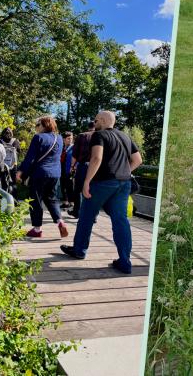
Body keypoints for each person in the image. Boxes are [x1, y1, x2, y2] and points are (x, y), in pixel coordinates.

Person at [61, 111, 142, 274]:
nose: (94, 122)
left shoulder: (99, 135)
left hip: (102, 183)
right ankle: (125, 261)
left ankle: (79, 250)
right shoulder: (125, 137)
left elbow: (96, 158)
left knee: (87, 216)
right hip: (123, 183)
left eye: (96, 119)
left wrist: (86, 181)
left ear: (103, 121)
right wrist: (124, 172)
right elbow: (138, 160)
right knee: (121, 221)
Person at [17, 116, 66, 238]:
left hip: (40, 173)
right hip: (55, 173)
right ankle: (60, 221)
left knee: (36, 200)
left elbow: (30, 158)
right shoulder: (59, 138)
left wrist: (21, 171)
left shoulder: (38, 137)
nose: (36, 127)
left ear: (44, 125)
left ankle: (37, 229)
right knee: (52, 198)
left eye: (38, 124)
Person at [69, 121, 94, 217]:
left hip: (83, 166)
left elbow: (75, 154)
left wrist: (72, 166)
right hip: (96, 166)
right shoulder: (100, 135)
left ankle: (77, 211)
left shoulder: (82, 136)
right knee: (92, 190)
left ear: (88, 127)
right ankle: (93, 215)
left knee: (78, 190)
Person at [60, 132, 74, 210]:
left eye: (71, 139)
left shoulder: (74, 147)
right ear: (64, 139)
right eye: (68, 139)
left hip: (70, 170)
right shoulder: (62, 148)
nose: (70, 140)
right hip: (62, 169)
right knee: (63, 186)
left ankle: (71, 202)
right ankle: (65, 202)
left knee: (70, 187)